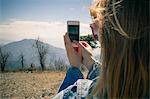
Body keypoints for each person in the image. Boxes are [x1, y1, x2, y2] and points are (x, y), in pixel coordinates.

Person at [53, 0, 149, 98]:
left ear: (110, 37)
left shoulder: (81, 93)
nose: (94, 35)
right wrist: (92, 64)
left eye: (96, 26)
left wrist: (74, 69)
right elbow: (116, 81)